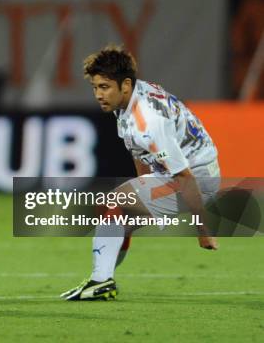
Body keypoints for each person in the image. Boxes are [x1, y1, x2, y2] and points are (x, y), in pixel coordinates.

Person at [61, 45, 220, 301]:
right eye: (95, 87)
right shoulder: (129, 97)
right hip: (179, 173)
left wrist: (203, 232)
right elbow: (139, 151)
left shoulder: (148, 122)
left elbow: (185, 177)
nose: (98, 95)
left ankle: (101, 282)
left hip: (197, 179)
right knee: (118, 217)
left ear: (124, 85)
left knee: (111, 204)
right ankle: (100, 281)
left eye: (104, 87)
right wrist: (145, 185)